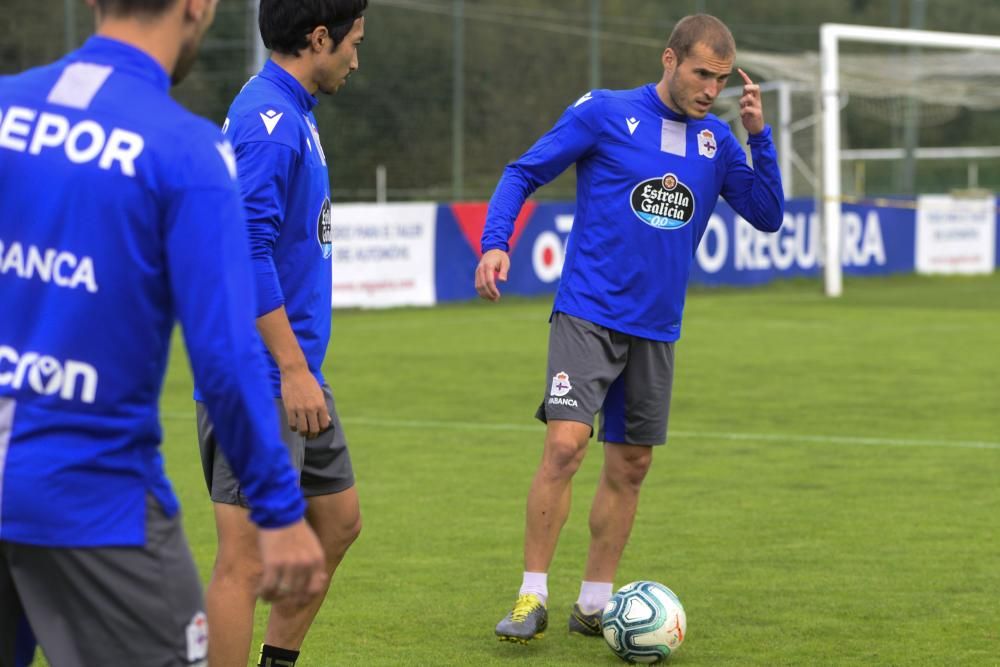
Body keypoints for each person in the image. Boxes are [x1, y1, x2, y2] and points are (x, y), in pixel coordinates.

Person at [0, 0, 329, 664]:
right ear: (198, 7)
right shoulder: (185, 149)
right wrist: (277, 505)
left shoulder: (6, 107)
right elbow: (225, 355)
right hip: (92, 496)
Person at [475, 14, 784, 642]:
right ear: (669, 60)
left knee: (632, 465)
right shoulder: (605, 112)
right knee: (565, 445)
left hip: (657, 329)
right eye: (701, 74)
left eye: (720, 80)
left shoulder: (717, 144)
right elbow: (522, 171)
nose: (709, 90)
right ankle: (530, 596)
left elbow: (769, 214)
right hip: (587, 312)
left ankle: (594, 603)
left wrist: (758, 136)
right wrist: (494, 242)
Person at [194, 2, 366, 665]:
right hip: (256, 376)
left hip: (291, 373)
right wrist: (292, 368)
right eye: (353, 41)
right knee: (246, 561)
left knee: (338, 520)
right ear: (319, 37)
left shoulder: (293, 113)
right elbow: (244, 248)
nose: (357, 56)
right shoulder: (269, 122)